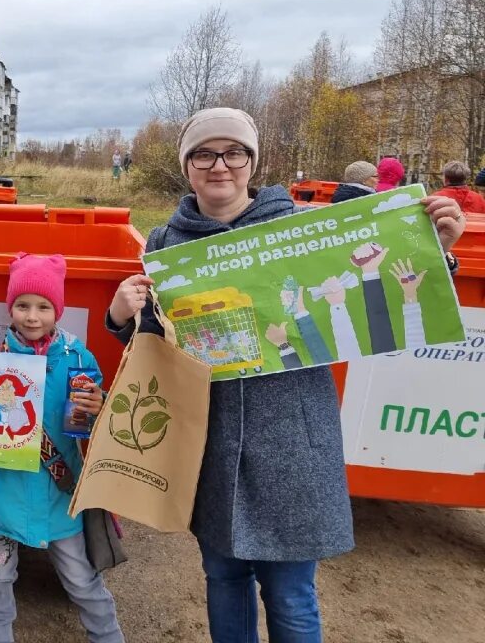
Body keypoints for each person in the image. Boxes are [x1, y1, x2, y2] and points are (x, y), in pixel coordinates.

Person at [106, 107, 465, 643]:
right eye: (204, 153)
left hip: (292, 437)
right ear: (187, 166)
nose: (219, 165)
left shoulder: (301, 227)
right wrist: (120, 316)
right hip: (212, 441)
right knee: (223, 578)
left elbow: (384, 289)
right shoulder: (166, 243)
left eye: (234, 152)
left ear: (252, 161)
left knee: (291, 596)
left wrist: (438, 250)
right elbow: (155, 345)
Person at [0, 253, 125, 643]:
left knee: (81, 579)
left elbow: (95, 422)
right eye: (22, 305)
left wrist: (100, 405)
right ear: (10, 309)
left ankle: (108, 636)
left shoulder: (79, 359)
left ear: (57, 310)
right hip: (0, 495)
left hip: (58, 496)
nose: (32, 316)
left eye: (43, 306)